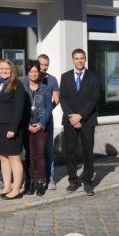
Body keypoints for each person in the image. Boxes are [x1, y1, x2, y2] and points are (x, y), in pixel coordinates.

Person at [60, 49, 101, 196]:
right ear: (73, 60)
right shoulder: (65, 77)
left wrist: (81, 116)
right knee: (70, 151)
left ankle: (88, 182)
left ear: (85, 59)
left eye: (82, 58)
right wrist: (72, 117)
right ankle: (73, 180)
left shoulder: (93, 77)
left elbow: (94, 99)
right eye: (77, 58)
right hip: (70, 120)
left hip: (87, 120)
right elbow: (63, 99)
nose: (79, 61)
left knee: (87, 152)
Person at [0, 59, 27, 200]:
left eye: (6, 69)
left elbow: (19, 110)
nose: (4, 71)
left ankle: (16, 189)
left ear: (12, 70)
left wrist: (13, 128)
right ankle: (7, 187)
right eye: (1, 69)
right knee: (3, 158)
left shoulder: (17, 85)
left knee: (14, 158)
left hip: (11, 127)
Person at [22, 60, 52, 196]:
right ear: (27, 73)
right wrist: (27, 124)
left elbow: (48, 109)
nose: (34, 74)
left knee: (39, 155)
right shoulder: (23, 88)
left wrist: (40, 124)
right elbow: (20, 109)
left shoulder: (45, 89)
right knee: (29, 155)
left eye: (36, 71)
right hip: (27, 127)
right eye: (31, 72)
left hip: (41, 127)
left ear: (39, 73)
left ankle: (41, 182)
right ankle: (30, 182)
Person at [37, 54, 60, 190]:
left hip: (47, 120)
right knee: (34, 149)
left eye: (46, 64)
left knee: (48, 149)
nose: (44, 67)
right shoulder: (31, 77)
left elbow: (56, 99)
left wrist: (46, 111)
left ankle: (50, 177)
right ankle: (35, 177)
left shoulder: (52, 80)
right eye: (42, 64)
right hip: (33, 119)